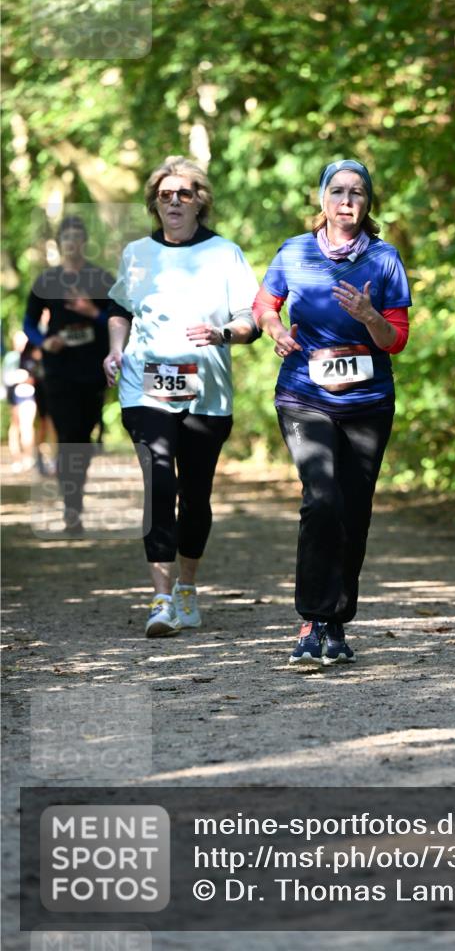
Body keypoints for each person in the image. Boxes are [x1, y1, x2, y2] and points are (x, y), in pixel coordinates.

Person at [253, 158, 411, 666]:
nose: (347, 200)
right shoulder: (294, 252)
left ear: (368, 205)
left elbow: (397, 340)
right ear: (322, 200)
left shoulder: (384, 260)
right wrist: (275, 331)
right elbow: (265, 304)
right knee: (321, 499)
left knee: (354, 509)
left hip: (367, 404)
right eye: (338, 191)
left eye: (358, 193)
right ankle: (311, 619)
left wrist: (369, 317)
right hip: (304, 394)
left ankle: (338, 622)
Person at [104, 156, 259, 638]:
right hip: (144, 387)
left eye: (184, 193)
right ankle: (161, 598)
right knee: (159, 482)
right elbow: (118, 310)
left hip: (208, 392)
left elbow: (250, 320)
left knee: (195, 495)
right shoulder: (136, 253)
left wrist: (223, 334)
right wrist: (114, 351)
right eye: (165, 194)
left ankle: (187, 588)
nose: (174, 201)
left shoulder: (225, 253)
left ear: (199, 202)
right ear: (155, 202)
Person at [23, 216, 112, 532]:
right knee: (68, 437)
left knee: (83, 440)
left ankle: (76, 498)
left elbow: (119, 320)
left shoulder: (100, 278)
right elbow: (29, 324)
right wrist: (44, 341)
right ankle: (71, 507)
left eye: (78, 236)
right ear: (60, 243)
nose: (72, 243)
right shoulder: (46, 281)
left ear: (85, 241)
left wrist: (93, 313)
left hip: (92, 371)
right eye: (67, 238)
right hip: (58, 373)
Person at [2, 330, 37, 472]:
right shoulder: (11, 358)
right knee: (15, 426)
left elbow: (37, 374)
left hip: (28, 395)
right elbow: (5, 378)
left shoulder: (31, 356)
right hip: (14, 396)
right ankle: (17, 459)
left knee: (27, 426)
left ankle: (28, 458)